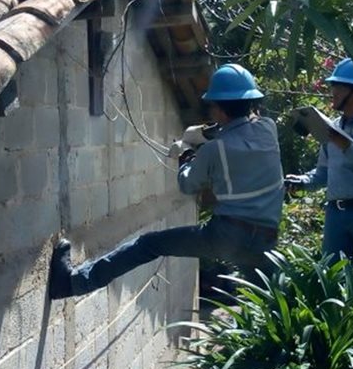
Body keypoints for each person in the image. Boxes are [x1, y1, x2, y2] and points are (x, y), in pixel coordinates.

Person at [49, 63, 284, 298]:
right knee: (272, 299)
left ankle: (71, 284)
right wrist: (204, 132)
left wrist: (186, 153)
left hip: (227, 236)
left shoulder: (215, 150)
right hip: (265, 240)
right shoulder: (268, 128)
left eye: (212, 107)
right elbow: (241, 125)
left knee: (147, 245)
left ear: (220, 110)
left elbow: (187, 184)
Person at [285, 58, 353, 266]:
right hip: (335, 214)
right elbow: (323, 174)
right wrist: (302, 181)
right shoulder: (331, 127)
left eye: (338, 86)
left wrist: (347, 146)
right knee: (333, 277)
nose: (332, 91)